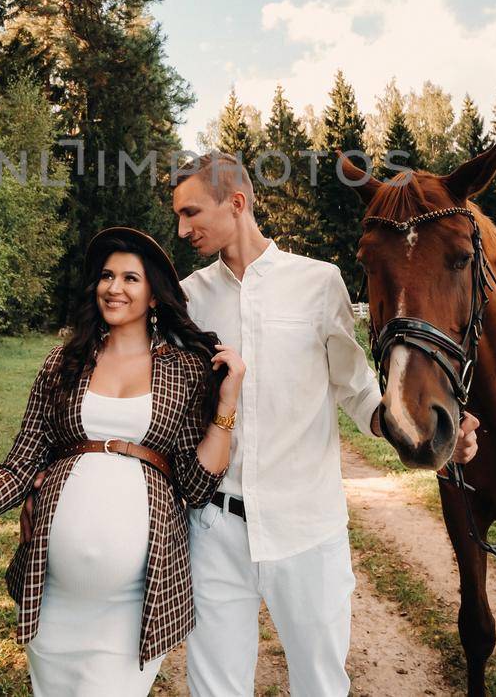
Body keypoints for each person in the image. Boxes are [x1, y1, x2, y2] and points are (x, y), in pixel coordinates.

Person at [0, 226, 244, 696]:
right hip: (53, 599)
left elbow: (196, 487)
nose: (114, 288)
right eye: (107, 276)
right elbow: (16, 472)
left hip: (136, 603)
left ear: (154, 295)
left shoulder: (185, 370)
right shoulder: (63, 364)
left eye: (131, 279)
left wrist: (226, 405)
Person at [171, 153, 479, 696]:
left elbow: (355, 386)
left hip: (307, 528)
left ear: (236, 203)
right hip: (214, 531)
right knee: (213, 689)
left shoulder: (319, 282)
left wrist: (412, 430)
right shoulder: (190, 296)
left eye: (192, 212)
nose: (182, 229)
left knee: (320, 683)